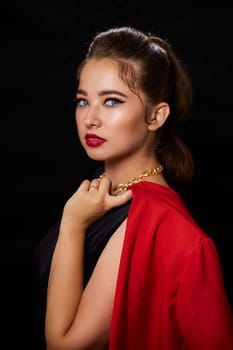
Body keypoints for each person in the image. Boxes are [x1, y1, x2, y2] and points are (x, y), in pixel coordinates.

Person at [34, 26, 233, 350]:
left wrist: (72, 224)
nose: (90, 119)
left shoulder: (152, 219)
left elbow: (65, 344)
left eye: (112, 101)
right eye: (83, 101)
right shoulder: (100, 194)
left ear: (156, 116)